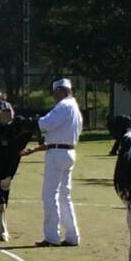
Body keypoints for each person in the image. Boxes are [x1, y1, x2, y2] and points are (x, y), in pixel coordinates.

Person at [32, 78, 83, 247]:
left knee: (49, 195)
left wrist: (35, 121)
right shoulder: (74, 107)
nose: (54, 96)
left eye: (55, 93)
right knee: (64, 196)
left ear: (61, 90)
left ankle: (52, 236)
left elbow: (46, 124)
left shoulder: (63, 106)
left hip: (57, 152)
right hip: (68, 150)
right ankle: (72, 235)